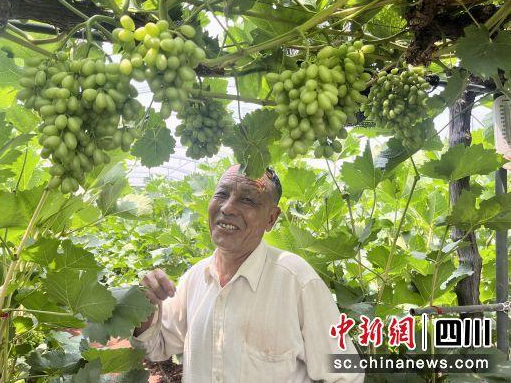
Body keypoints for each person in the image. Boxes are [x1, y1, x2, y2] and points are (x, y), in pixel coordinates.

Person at [131, 164, 364, 383]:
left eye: (248, 200)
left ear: (271, 218)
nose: (228, 207)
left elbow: (346, 373)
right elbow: (157, 347)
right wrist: (145, 308)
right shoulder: (194, 278)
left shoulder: (297, 280)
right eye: (222, 194)